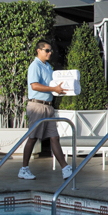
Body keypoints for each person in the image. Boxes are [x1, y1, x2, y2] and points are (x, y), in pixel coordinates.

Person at [19, 40, 73, 180]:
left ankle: (65, 168)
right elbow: (35, 86)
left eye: (50, 51)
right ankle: (24, 169)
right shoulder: (34, 66)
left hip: (48, 105)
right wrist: (53, 89)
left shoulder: (48, 67)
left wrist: (59, 90)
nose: (49, 53)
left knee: (54, 137)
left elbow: (52, 85)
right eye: (46, 50)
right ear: (39, 50)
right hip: (37, 106)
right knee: (33, 137)